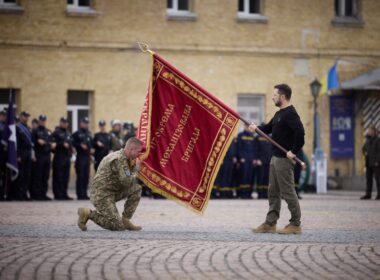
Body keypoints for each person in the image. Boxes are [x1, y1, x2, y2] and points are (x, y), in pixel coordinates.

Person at [249, 84, 305, 234]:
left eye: (274, 94)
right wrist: (256, 128)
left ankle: (295, 224)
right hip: (275, 158)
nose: (272, 97)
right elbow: (267, 128)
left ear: (282, 97)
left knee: (288, 191)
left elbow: (300, 134)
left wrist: (293, 151)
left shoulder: (291, 114)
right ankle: (270, 223)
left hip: (284, 160)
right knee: (273, 192)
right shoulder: (279, 114)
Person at [77, 137, 143, 231]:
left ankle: (125, 220)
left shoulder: (123, 157)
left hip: (112, 191)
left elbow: (125, 181)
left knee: (137, 188)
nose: (139, 155)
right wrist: (136, 169)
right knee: (118, 226)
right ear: (131, 149)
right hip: (101, 195)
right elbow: (127, 181)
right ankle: (88, 213)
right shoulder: (120, 159)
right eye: (138, 151)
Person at [31, 114, 54, 200]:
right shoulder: (35, 131)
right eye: (41, 120)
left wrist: (45, 142)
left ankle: (43, 194)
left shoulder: (48, 131)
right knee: (38, 176)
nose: (43, 122)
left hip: (47, 155)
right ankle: (37, 195)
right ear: (39, 121)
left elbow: (51, 143)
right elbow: (33, 144)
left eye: (44, 120)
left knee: (45, 176)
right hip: (38, 155)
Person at [13, 111, 34, 200]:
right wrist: (17, 155)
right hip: (21, 153)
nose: (26, 118)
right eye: (25, 116)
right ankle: (19, 194)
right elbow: (16, 143)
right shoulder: (17, 128)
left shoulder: (28, 128)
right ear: (21, 117)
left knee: (27, 175)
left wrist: (32, 154)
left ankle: (25, 194)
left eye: (27, 116)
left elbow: (31, 142)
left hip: (28, 153)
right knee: (21, 175)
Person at [51, 117, 73, 200]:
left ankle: (64, 194)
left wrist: (71, 149)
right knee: (58, 177)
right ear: (60, 123)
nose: (65, 124)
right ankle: (58, 195)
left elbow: (70, 143)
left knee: (65, 177)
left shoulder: (68, 133)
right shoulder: (56, 133)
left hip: (67, 158)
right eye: (63, 122)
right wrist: (61, 144)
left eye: (66, 122)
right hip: (59, 157)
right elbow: (53, 146)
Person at [72, 117, 93, 200]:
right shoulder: (76, 133)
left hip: (87, 157)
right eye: (85, 123)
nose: (86, 124)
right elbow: (72, 143)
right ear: (81, 123)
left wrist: (91, 148)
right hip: (80, 156)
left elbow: (91, 144)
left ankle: (84, 193)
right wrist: (79, 145)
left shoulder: (89, 134)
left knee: (86, 176)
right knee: (80, 176)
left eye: (87, 123)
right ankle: (79, 194)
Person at [236, 125, 258, 199]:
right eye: (247, 126)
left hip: (251, 160)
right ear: (244, 127)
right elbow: (239, 147)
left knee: (250, 177)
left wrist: (255, 158)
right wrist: (241, 157)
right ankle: (242, 193)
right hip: (244, 159)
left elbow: (255, 148)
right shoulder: (241, 135)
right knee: (244, 177)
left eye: (249, 127)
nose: (248, 128)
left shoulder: (253, 136)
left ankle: (249, 193)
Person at [361, 126, 380, 200]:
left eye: (370, 130)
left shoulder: (378, 140)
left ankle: (379, 194)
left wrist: (377, 161)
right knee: (368, 179)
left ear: (374, 132)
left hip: (376, 163)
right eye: (368, 130)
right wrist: (364, 152)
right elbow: (363, 149)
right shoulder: (367, 140)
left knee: (378, 179)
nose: (368, 132)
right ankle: (368, 194)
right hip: (368, 162)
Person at [255, 133, 272, 199]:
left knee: (267, 178)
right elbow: (256, 149)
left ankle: (265, 193)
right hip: (261, 161)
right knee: (260, 178)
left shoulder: (271, 137)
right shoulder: (258, 137)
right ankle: (260, 194)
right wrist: (257, 159)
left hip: (269, 161)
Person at [0, 110, 6, 200]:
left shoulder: (7, 126)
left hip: (5, 154)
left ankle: (3, 194)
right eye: (2, 115)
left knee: (4, 175)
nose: (4, 117)